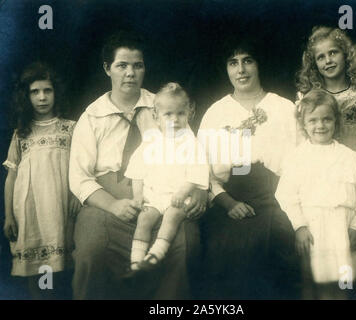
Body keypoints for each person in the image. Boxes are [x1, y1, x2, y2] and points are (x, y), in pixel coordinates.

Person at [69, 31, 207, 299]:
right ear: (107, 68)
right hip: (107, 202)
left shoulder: (167, 105)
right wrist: (113, 204)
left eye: (137, 65)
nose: (130, 73)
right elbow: (79, 178)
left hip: (164, 195)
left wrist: (201, 188)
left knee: (185, 244)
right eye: (122, 65)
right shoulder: (92, 116)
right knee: (91, 250)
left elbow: (192, 150)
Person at [198, 37, 300, 299]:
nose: (241, 69)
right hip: (229, 199)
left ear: (259, 64)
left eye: (247, 61)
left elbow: (303, 162)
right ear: (226, 68)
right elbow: (200, 171)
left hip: (279, 198)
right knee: (223, 246)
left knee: (279, 237)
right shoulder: (216, 113)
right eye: (233, 63)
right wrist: (228, 203)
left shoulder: (284, 108)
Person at [295, 26, 356, 295]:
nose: (328, 61)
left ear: (346, 55)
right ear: (314, 65)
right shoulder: (311, 100)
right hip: (325, 178)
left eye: (333, 53)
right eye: (320, 57)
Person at [276, 89, 356, 299]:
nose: (320, 125)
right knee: (311, 280)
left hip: (343, 231)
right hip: (313, 230)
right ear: (303, 124)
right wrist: (299, 225)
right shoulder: (296, 158)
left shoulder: (349, 157)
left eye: (327, 119)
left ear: (336, 121)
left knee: (344, 283)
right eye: (313, 120)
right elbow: (286, 195)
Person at [3, 62, 80, 299]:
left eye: (47, 90)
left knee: (65, 268)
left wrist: (77, 195)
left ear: (56, 93)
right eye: (35, 92)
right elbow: (12, 176)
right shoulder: (21, 133)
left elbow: (81, 169)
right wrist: (8, 215)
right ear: (27, 97)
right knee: (36, 271)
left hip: (61, 206)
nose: (42, 97)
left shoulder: (70, 129)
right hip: (31, 209)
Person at [124, 82, 209, 273]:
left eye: (181, 113)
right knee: (144, 219)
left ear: (190, 114)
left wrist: (183, 191)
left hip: (179, 197)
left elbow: (196, 173)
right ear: (156, 117)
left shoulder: (191, 142)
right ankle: (136, 260)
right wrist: (138, 196)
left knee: (172, 216)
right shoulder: (151, 140)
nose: (175, 119)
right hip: (154, 195)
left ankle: (156, 253)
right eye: (168, 114)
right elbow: (137, 171)